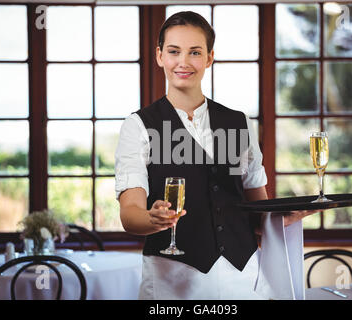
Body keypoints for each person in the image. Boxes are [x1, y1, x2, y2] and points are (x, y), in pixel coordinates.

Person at [115, 11, 315, 300]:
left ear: (209, 58)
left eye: (195, 52)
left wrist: (285, 217)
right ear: (160, 56)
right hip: (173, 279)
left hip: (243, 277)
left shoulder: (239, 123)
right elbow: (129, 214)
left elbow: (258, 213)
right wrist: (153, 218)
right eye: (174, 51)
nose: (183, 62)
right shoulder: (138, 126)